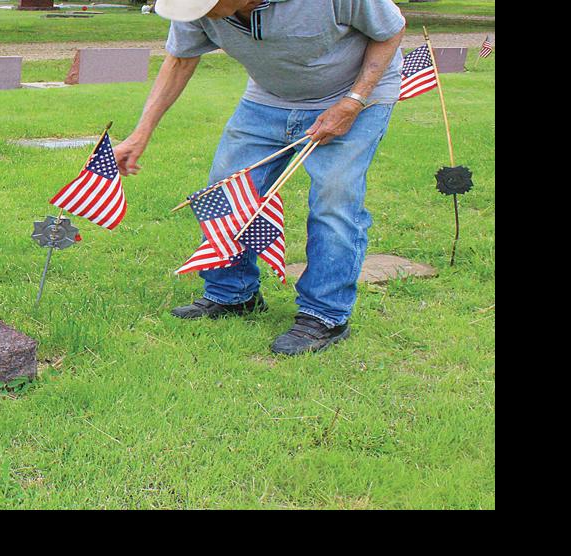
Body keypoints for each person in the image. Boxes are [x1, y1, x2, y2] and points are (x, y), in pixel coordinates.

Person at [116, 0, 406, 355]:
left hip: (353, 97)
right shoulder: (197, 8)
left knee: (334, 196)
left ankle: (325, 315)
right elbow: (179, 59)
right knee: (223, 190)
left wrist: (354, 101)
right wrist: (140, 133)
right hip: (267, 99)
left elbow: (391, 30)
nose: (200, 14)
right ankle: (233, 294)